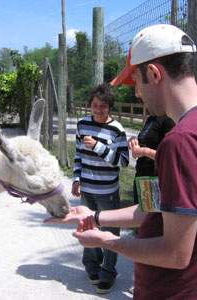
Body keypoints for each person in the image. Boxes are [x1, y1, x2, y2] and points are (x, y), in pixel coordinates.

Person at [45, 24, 197, 299]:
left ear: (154, 73)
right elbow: (162, 209)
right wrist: (95, 216)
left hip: (179, 291)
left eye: (135, 81)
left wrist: (108, 241)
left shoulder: (181, 141)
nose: (137, 93)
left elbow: (175, 253)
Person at [71, 83, 129, 294]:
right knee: (88, 229)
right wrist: (76, 177)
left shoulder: (117, 130)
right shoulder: (82, 125)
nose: (98, 110)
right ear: (90, 105)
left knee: (110, 232)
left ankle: (108, 272)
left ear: (109, 107)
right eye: (95, 105)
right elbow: (78, 156)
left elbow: (123, 161)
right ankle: (92, 267)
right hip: (88, 190)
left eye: (103, 106)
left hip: (108, 192)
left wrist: (98, 147)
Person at [128, 114, 175, 205]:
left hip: (156, 181)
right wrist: (133, 140)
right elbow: (148, 141)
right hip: (142, 178)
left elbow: (170, 157)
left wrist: (144, 151)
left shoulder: (169, 121)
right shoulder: (151, 119)